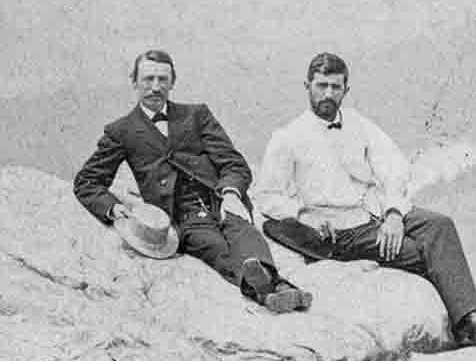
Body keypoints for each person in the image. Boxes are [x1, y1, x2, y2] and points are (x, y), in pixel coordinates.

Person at [255, 52, 476, 347]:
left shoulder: (357, 124)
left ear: (346, 90)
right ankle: (468, 322)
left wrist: (393, 214)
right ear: (307, 86)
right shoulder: (288, 137)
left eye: (336, 87)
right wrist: (302, 214)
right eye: (321, 85)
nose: (328, 94)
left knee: (440, 226)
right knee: (423, 253)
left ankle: (472, 323)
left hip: (372, 214)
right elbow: (267, 196)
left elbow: (395, 168)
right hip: (338, 234)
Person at [74, 50, 310, 314]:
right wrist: (114, 209)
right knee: (213, 246)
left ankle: (272, 288)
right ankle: (274, 290)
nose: (155, 87)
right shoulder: (121, 131)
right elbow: (88, 181)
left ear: (172, 82)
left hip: (220, 199)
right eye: (148, 79)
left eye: (163, 80)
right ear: (134, 82)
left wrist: (231, 193)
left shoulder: (196, 115)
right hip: (183, 216)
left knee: (245, 233)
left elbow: (233, 162)